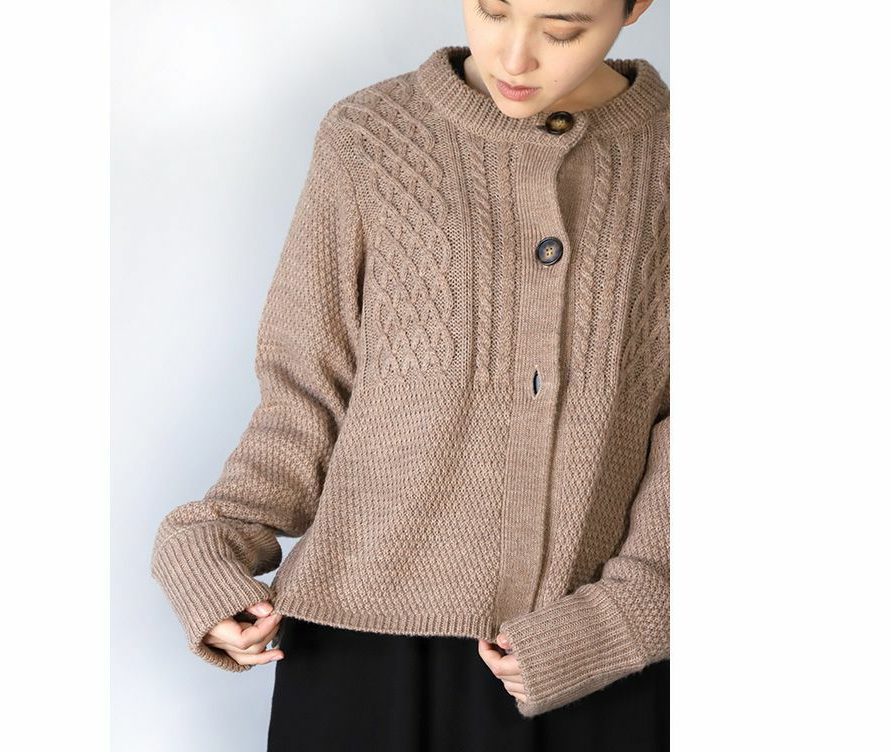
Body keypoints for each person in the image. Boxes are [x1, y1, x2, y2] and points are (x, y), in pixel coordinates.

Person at [150, 0, 669, 749]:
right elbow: (307, 389)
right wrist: (213, 544)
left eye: (562, 30)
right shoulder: (371, 138)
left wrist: (631, 612)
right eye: (492, 11)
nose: (514, 57)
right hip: (360, 647)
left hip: (590, 652)